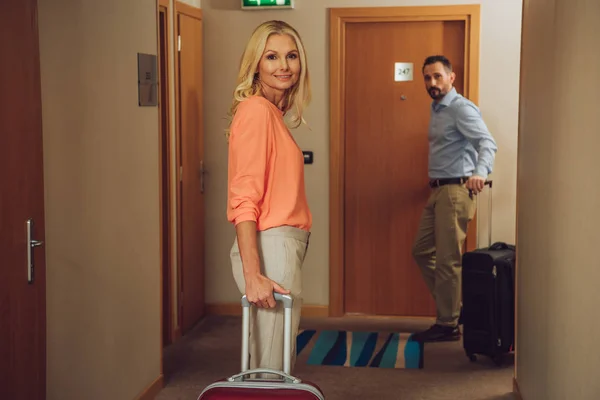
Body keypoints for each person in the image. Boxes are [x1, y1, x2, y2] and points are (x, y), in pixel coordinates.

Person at [226, 20, 312, 373]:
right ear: (256, 64)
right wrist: (253, 274)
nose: (284, 66)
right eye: (272, 56)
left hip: (280, 248)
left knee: (273, 362)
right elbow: (244, 198)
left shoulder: (271, 115)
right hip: (270, 250)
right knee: (270, 370)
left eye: (291, 56)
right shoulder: (256, 111)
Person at [411, 55, 498, 343]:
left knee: (448, 261)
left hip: (456, 191)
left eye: (437, 76)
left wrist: (480, 172)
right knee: (422, 251)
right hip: (438, 191)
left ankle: (447, 323)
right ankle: (455, 310)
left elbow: (487, 142)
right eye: (427, 77)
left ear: (451, 77)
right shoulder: (437, 109)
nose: (432, 83)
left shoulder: (461, 109)